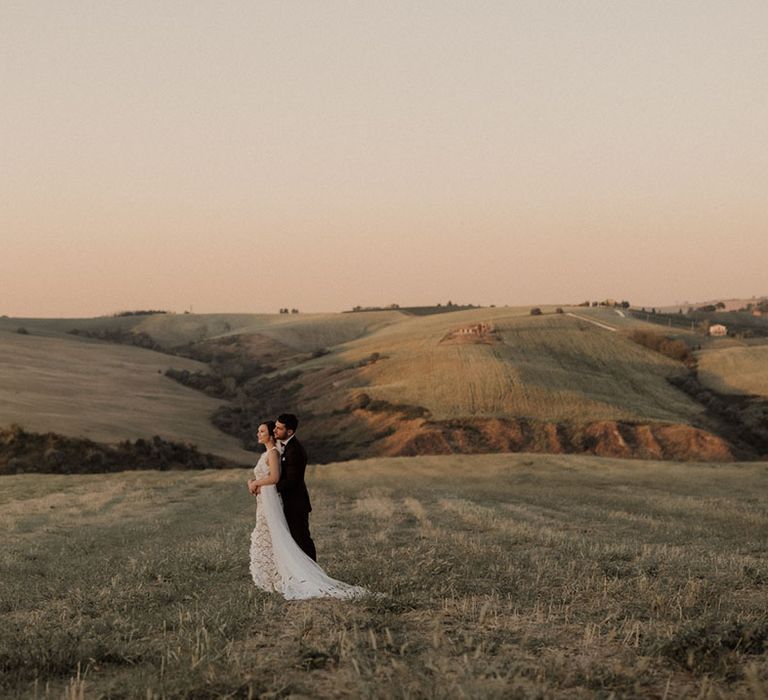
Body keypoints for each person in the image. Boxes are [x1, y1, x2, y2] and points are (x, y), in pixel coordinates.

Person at [247, 420, 366, 600]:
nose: (258, 434)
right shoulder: (269, 452)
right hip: (265, 501)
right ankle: (275, 575)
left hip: (275, 501)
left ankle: (303, 574)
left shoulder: (273, 453)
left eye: (262, 431)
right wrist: (253, 483)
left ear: (271, 434)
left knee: (279, 536)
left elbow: (275, 477)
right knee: (270, 536)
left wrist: (256, 483)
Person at [274, 413, 316, 560]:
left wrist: (269, 489)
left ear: (289, 432)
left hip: (296, 504)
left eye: (279, 429)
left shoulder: (295, 450)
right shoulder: (282, 445)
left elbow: (292, 481)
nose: (275, 431)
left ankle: (313, 574)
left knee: (302, 540)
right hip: (287, 502)